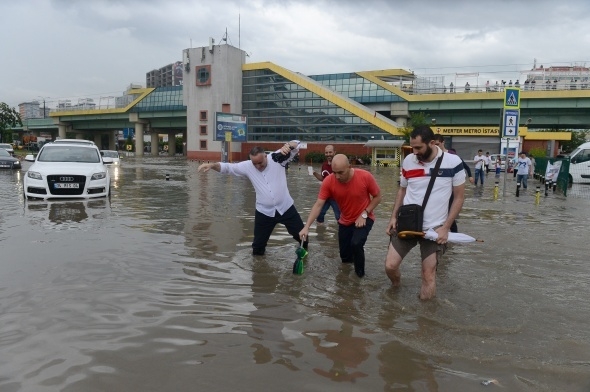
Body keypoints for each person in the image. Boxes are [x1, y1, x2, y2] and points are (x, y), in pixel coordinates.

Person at [385, 126, 465, 300]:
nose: (415, 152)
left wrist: (446, 227)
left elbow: (459, 197)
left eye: (419, 148)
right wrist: (393, 217)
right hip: (407, 223)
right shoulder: (408, 161)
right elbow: (402, 190)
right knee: (390, 266)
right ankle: (397, 287)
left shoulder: (453, 162)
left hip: (435, 229)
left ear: (432, 143)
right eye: (412, 147)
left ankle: (425, 321)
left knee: (428, 275)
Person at [198, 141, 308, 255]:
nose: (257, 166)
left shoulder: (277, 158)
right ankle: (259, 270)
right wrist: (212, 165)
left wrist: (289, 145)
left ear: (266, 156)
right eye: (254, 163)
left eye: (260, 162)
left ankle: (304, 257)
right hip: (264, 212)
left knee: (303, 238)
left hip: (286, 208)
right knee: (257, 248)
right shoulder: (247, 166)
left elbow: (297, 143)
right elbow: (228, 168)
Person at [299, 154, 382, 278]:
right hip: (345, 221)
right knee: (345, 258)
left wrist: (365, 213)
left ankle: (360, 278)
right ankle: (345, 281)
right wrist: (307, 227)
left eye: (341, 173)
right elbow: (318, 205)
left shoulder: (365, 176)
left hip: (364, 217)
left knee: (356, 243)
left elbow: (378, 197)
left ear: (350, 166)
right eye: (334, 172)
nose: (337, 176)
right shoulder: (329, 181)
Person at [433, 134, 471, 233]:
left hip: (451, 190)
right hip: (438, 190)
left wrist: (470, 176)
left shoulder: (452, 156)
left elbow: (465, 166)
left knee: (449, 213)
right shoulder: (432, 156)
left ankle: (453, 235)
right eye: (433, 144)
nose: (435, 146)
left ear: (443, 142)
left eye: (437, 144)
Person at [312, 145, 341, 224]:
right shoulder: (324, 165)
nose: (328, 154)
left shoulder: (339, 164)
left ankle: (341, 232)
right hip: (325, 196)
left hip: (336, 197)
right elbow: (323, 178)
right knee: (319, 215)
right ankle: (320, 232)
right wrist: (314, 173)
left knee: (339, 217)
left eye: (330, 152)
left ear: (334, 152)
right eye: (326, 153)